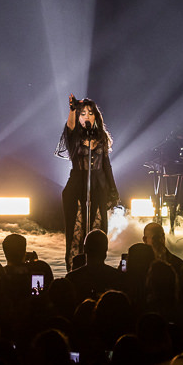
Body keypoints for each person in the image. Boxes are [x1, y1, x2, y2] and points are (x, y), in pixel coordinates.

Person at [56, 95, 119, 268]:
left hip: (99, 187)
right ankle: (73, 271)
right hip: (77, 187)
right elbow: (69, 128)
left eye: (90, 113)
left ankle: (95, 270)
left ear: (95, 116)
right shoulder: (74, 136)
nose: (87, 117)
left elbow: (107, 166)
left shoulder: (101, 138)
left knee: (97, 231)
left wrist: (113, 190)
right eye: (82, 114)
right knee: (76, 233)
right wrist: (72, 110)